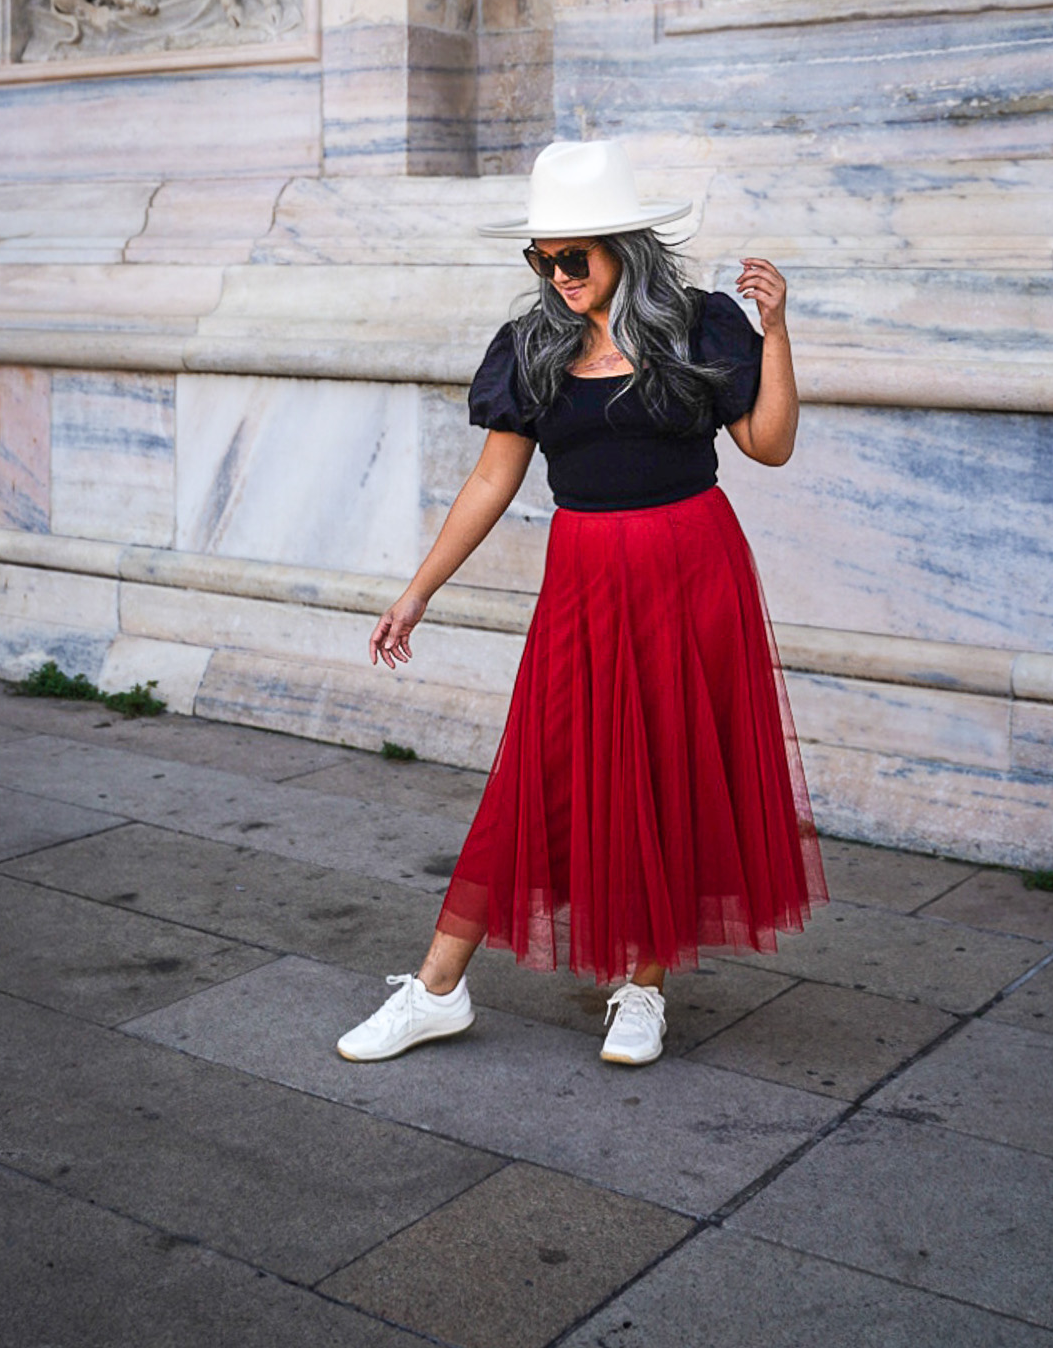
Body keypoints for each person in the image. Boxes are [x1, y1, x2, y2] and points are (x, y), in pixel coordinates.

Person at [336, 139, 829, 1069]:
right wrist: (416, 594)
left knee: (672, 769)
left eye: (574, 257)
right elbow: (490, 481)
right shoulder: (531, 346)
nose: (557, 275)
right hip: (587, 577)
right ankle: (436, 989)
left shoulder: (700, 326)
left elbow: (769, 445)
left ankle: (642, 987)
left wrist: (779, 332)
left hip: (694, 568)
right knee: (536, 770)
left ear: (625, 248)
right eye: (542, 258)